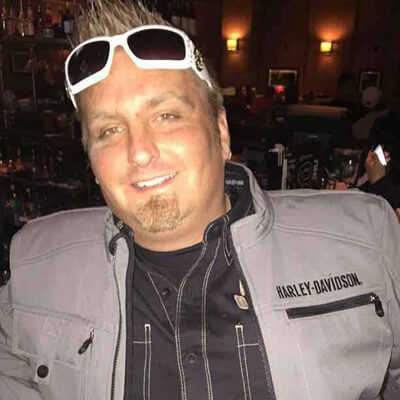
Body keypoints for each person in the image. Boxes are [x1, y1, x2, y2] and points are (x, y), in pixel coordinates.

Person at [1, 1, 400, 399]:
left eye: (167, 116)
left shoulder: (365, 239)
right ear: (90, 158)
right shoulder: (34, 268)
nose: (139, 152)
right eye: (109, 130)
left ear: (221, 132)